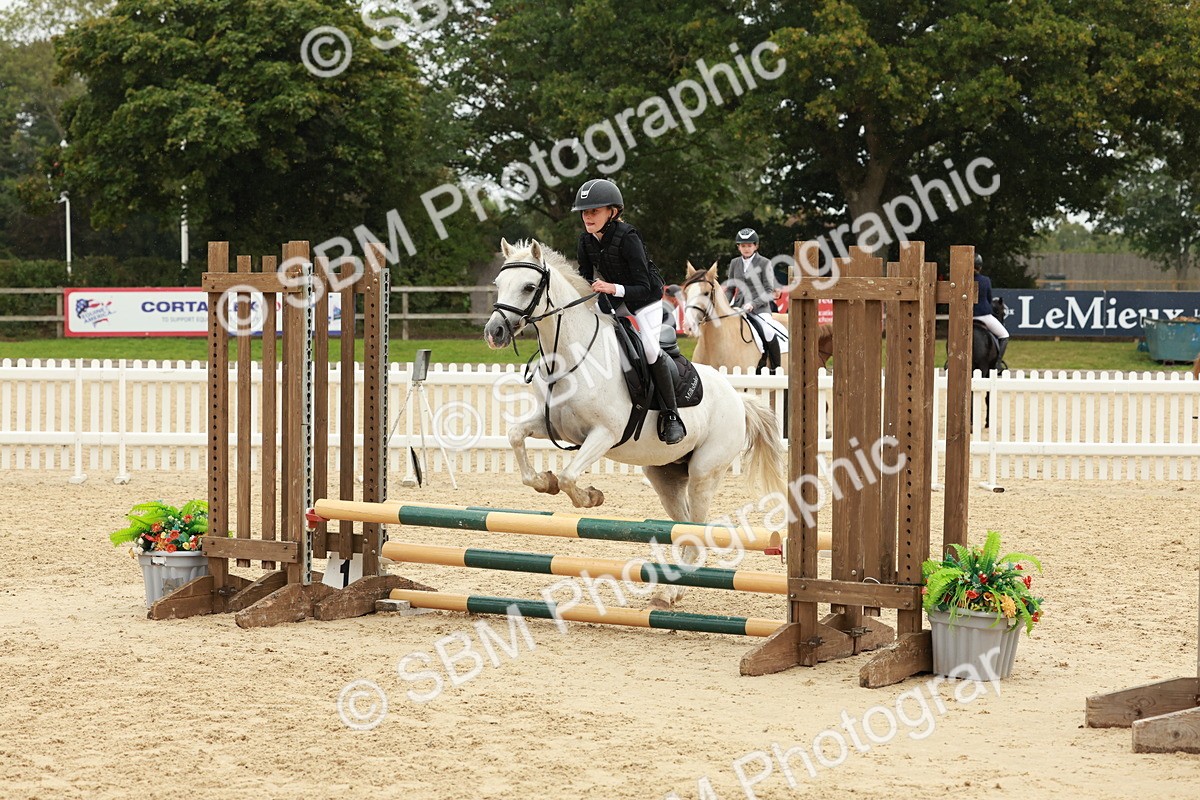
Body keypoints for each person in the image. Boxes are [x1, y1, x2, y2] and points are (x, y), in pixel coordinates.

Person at [573, 178, 685, 445]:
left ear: (612, 212)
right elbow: (584, 278)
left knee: (649, 349)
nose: (587, 217)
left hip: (645, 299)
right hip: (614, 299)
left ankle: (671, 415)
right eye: (585, 212)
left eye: (594, 211)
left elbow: (643, 286)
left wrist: (611, 288)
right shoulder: (585, 240)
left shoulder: (629, 237)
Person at [726, 228, 785, 370]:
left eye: (749, 245)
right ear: (738, 247)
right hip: (738, 308)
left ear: (756, 246)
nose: (746, 249)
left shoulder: (764, 263)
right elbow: (730, 289)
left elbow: (769, 291)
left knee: (768, 331)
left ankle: (775, 367)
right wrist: (725, 305)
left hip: (760, 309)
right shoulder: (734, 263)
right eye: (743, 246)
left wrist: (753, 304)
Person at [973, 253, 1010, 364]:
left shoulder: (963, 280)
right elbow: (989, 298)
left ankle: (949, 361)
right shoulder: (985, 280)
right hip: (984, 316)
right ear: (980, 267)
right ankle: (998, 363)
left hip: (966, 316)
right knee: (1004, 335)